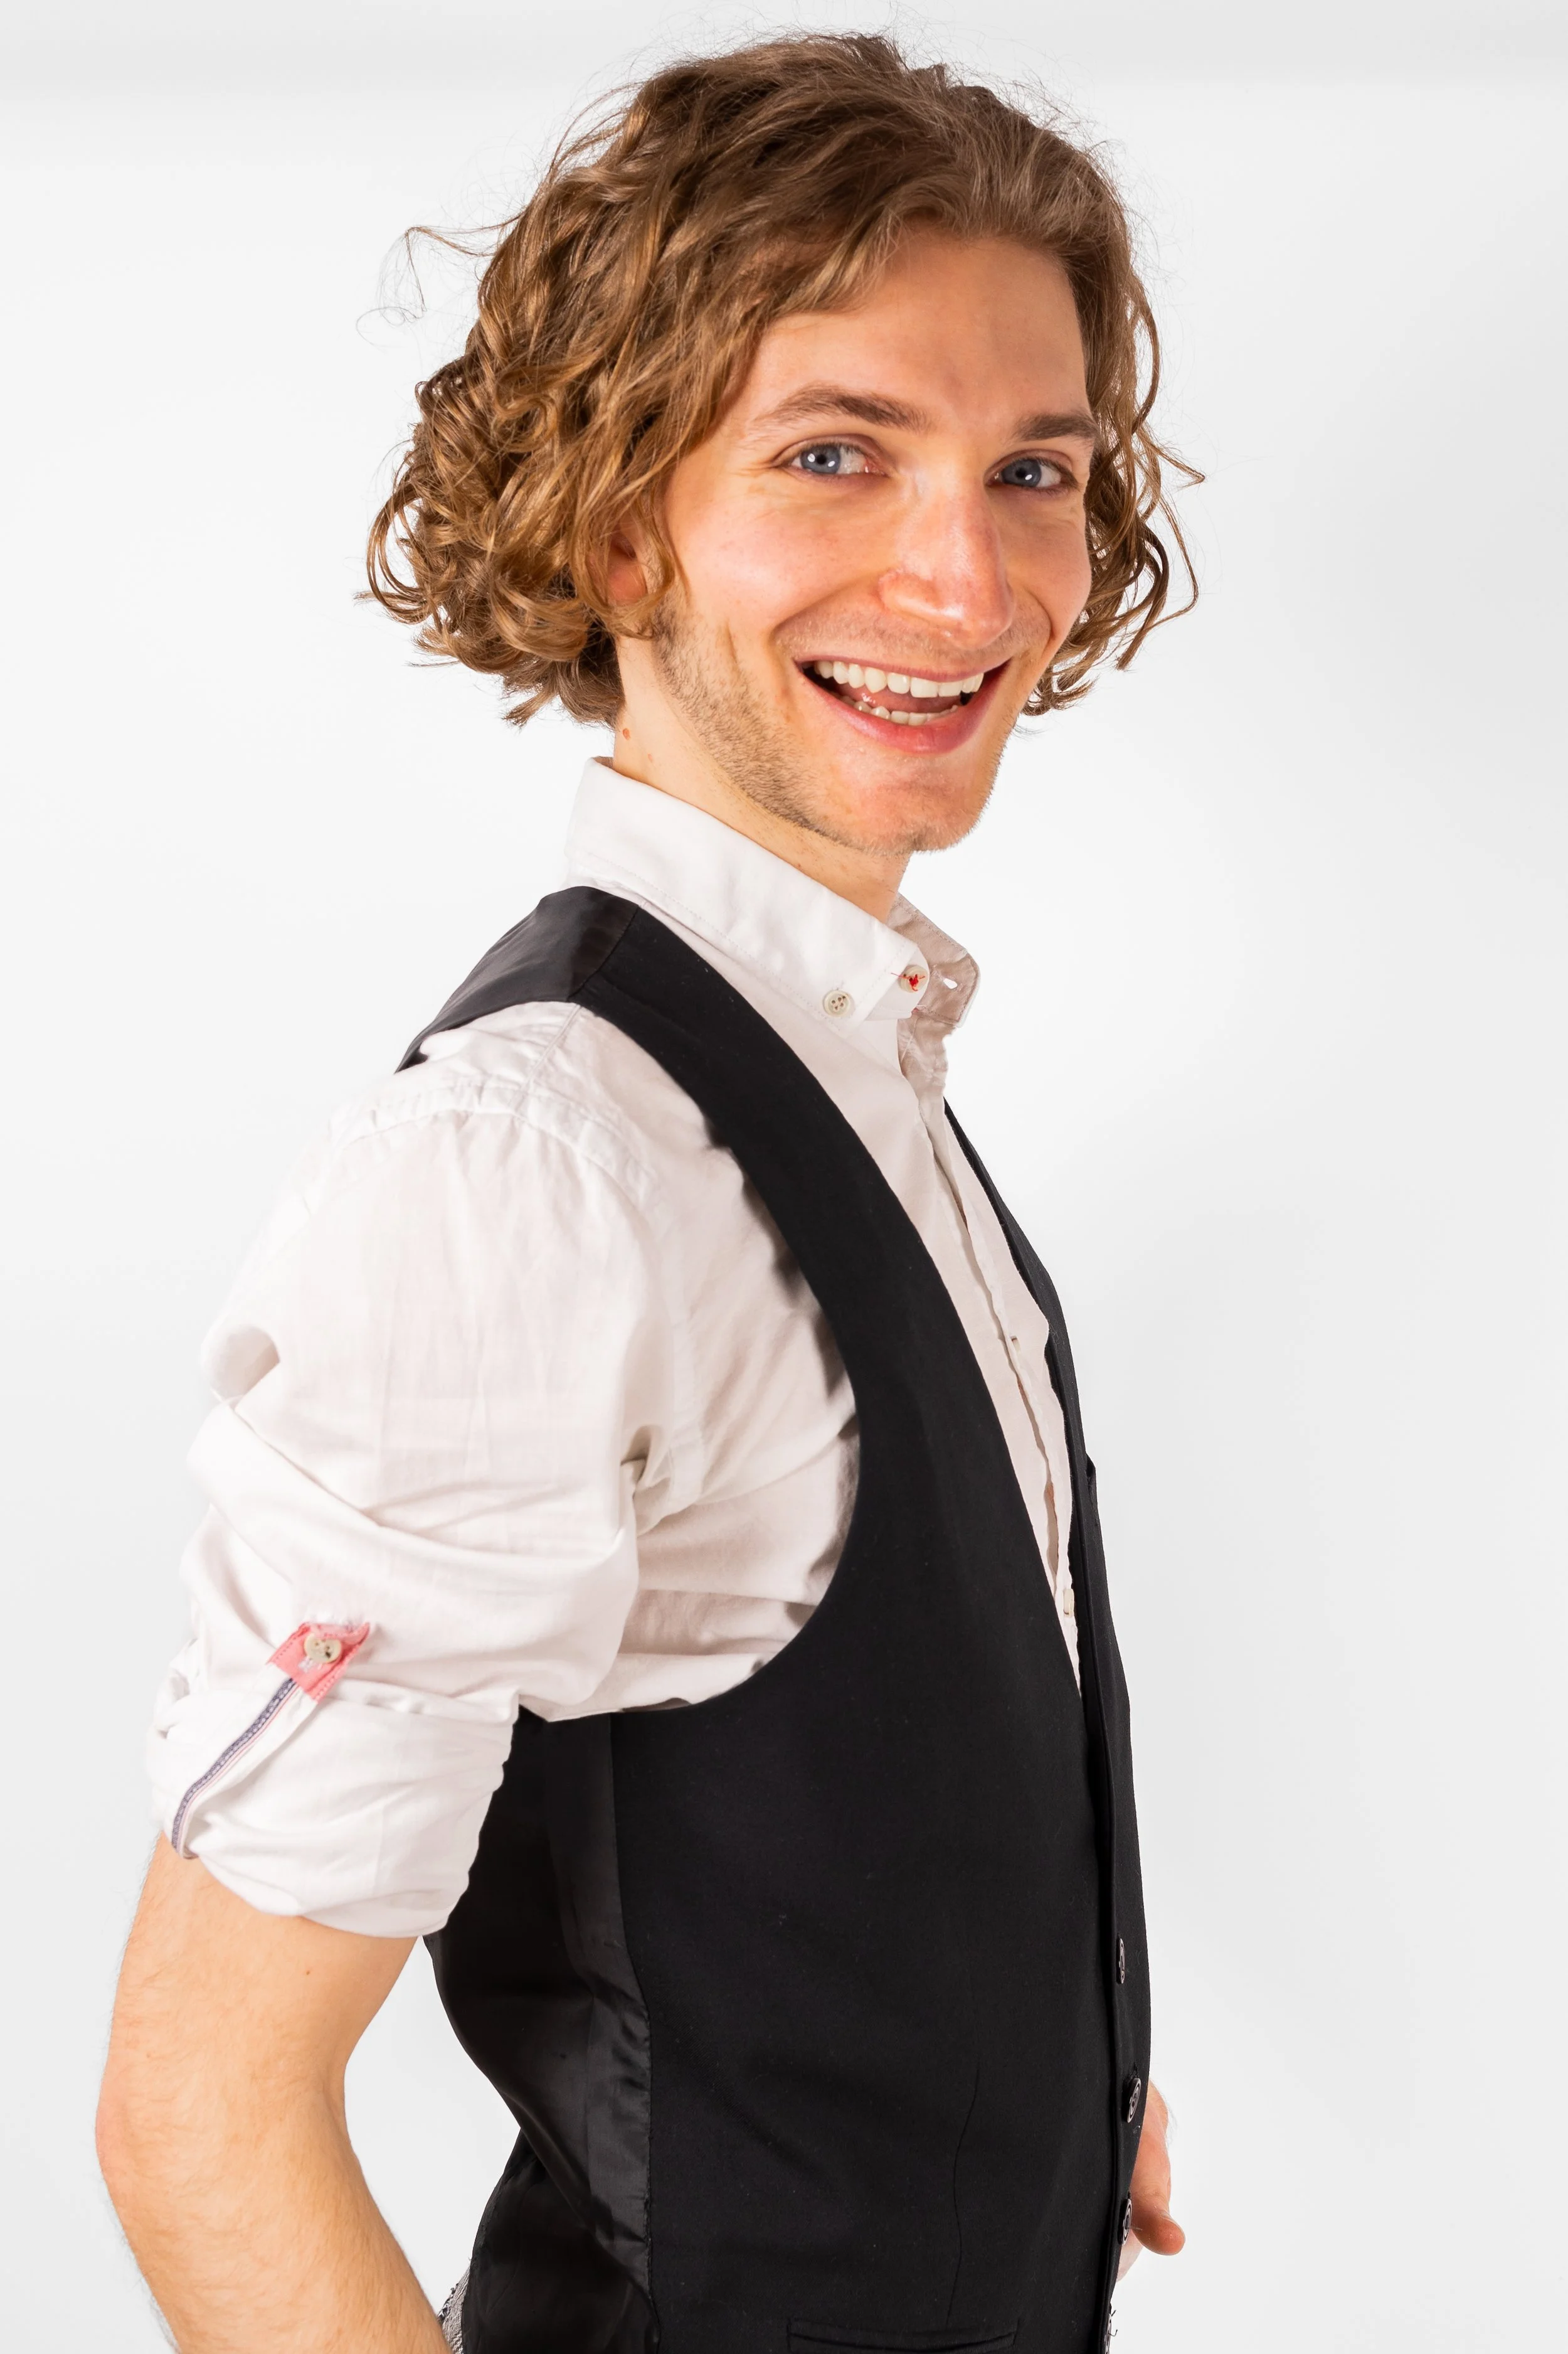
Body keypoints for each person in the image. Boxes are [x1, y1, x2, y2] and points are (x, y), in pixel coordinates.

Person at [98, 33, 1195, 2354]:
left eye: (1031, 469)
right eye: (833, 453)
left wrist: (1037, 2088)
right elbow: (204, 2114)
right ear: (620, 532)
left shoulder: (851, 1054)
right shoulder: (536, 1169)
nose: (965, 574)